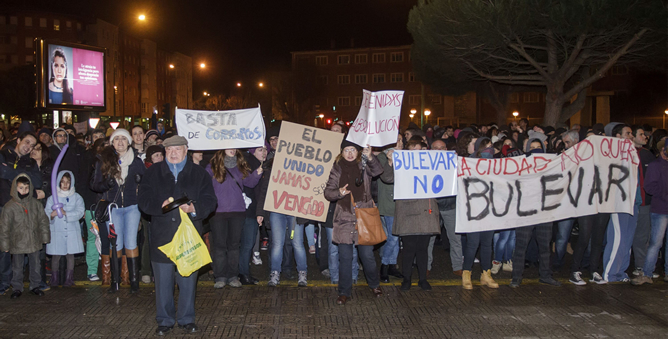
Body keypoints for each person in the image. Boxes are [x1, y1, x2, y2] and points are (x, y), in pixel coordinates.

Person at [138, 135, 215, 335]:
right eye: (169, 150)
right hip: (162, 236)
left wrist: (194, 208)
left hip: (189, 237)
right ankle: (164, 321)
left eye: (177, 149)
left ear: (186, 150)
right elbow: (143, 199)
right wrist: (158, 206)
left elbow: (210, 200)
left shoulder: (199, 173)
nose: (173, 153)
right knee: (163, 282)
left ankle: (186, 319)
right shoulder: (153, 172)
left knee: (187, 280)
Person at [324, 140, 383, 305]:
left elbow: (378, 171)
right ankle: (344, 292)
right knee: (345, 257)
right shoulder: (337, 168)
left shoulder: (364, 165)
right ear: (341, 152)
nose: (350, 153)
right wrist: (338, 192)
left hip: (364, 216)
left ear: (358, 152)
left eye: (353, 150)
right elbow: (328, 192)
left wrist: (370, 157)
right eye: (346, 150)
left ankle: (374, 285)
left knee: (367, 256)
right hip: (344, 218)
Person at [90, 128, 145, 293]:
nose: (120, 142)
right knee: (116, 243)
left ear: (128, 142)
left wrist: (141, 180)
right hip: (113, 208)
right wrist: (106, 184)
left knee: (131, 242)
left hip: (132, 206)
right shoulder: (104, 160)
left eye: (123, 139)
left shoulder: (136, 161)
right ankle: (115, 281)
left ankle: (134, 281)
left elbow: (147, 183)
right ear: (112, 142)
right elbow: (93, 184)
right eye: (116, 139)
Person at [384, 139, 440, 291]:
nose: (417, 153)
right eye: (413, 150)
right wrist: (390, 162)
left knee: (423, 248)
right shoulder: (402, 165)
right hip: (407, 212)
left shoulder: (430, 165)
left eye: (420, 149)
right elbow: (387, 178)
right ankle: (407, 279)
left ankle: (422, 279)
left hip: (425, 212)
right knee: (408, 249)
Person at [206, 149, 262, 288]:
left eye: (234, 147)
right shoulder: (211, 167)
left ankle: (232, 275)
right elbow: (205, 186)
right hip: (218, 212)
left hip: (237, 212)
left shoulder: (240, 166)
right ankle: (220, 276)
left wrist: (257, 172)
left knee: (234, 246)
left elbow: (250, 183)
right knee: (219, 246)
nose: (232, 149)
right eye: (229, 146)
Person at [509, 138, 561, 287]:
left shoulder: (551, 165)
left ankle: (545, 275)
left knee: (545, 245)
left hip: (544, 211)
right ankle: (516, 277)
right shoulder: (521, 166)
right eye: (532, 147)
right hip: (526, 211)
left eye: (539, 147)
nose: (536, 150)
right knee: (521, 246)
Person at [0, 131, 42, 295]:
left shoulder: (30, 162)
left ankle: (28, 283)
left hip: (24, 209)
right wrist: (25, 177)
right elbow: (1, 172)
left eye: (32, 145)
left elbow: (37, 182)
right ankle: (4, 282)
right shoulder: (3, 154)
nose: (28, 147)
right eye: (26, 142)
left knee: (25, 247)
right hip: (4, 206)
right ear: (18, 140)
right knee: (4, 247)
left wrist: (10, 172)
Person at [459, 134, 499, 290]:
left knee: (487, 244)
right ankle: (467, 273)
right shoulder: (468, 163)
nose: (489, 149)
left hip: (490, 210)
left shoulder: (497, 165)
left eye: (491, 146)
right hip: (473, 210)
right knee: (473, 244)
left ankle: (486, 274)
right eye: (486, 146)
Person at [0, 174, 50, 298]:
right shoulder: (9, 206)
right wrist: (5, 245)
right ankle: (17, 287)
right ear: (15, 189)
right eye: (21, 188)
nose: (24, 191)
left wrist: (44, 237)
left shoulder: (35, 204)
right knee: (17, 267)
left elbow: (43, 220)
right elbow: (4, 227)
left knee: (36, 266)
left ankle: (35, 286)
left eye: (27, 188)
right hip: (17, 242)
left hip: (34, 240)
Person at [631, 141, 668, 285]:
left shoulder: (657, 165)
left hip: (661, 208)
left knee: (657, 243)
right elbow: (649, 187)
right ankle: (647, 273)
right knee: (656, 243)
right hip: (660, 210)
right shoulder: (655, 166)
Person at [45, 171, 85, 287]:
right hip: (57, 230)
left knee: (70, 255)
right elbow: (46, 213)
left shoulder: (77, 197)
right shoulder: (53, 198)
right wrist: (51, 215)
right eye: (62, 182)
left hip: (72, 230)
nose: (65, 184)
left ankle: (69, 278)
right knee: (56, 256)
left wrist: (66, 213)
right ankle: (55, 278)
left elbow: (80, 211)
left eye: (68, 182)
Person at [377, 134, 404, 283]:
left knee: (397, 237)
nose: (400, 142)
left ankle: (392, 265)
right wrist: (390, 161)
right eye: (396, 140)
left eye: (401, 139)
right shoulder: (382, 157)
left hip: (401, 204)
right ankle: (384, 265)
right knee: (393, 237)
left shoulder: (405, 157)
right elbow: (386, 178)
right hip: (389, 203)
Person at [238, 144, 267, 285]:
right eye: (260, 150)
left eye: (265, 149)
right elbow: (249, 185)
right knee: (247, 243)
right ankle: (243, 274)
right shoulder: (248, 165)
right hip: (248, 211)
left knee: (248, 243)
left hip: (254, 210)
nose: (264, 152)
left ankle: (244, 272)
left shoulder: (262, 165)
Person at [631, 125, 657, 278]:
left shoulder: (647, 155)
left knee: (642, 236)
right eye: (641, 134)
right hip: (627, 203)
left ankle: (640, 266)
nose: (645, 137)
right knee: (626, 237)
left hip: (644, 203)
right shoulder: (623, 154)